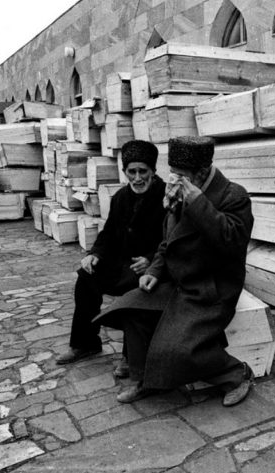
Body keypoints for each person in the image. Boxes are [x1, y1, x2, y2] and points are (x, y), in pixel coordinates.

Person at [98, 135, 254, 406]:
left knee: (177, 350)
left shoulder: (233, 195)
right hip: (179, 283)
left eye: (180, 175)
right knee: (131, 308)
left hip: (211, 289)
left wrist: (198, 204)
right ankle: (144, 379)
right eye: (173, 173)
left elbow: (232, 241)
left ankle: (236, 374)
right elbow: (167, 241)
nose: (173, 180)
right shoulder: (182, 190)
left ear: (201, 172)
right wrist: (155, 271)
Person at [56, 140, 167, 376]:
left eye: (143, 171)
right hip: (121, 263)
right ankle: (85, 343)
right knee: (85, 278)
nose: (137, 178)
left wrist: (151, 260)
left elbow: (173, 239)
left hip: (153, 267)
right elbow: (108, 234)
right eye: (132, 172)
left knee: (134, 291)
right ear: (125, 172)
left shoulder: (167, 198)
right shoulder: (120, 198)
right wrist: (95, 254)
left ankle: (132, 356)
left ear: (153, 171)